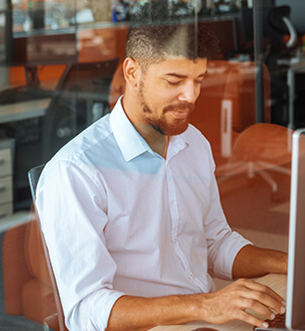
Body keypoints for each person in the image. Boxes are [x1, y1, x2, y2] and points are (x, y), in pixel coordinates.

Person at [35, 10, 289, 331]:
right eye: (174, 81)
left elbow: (215, 243)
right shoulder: (76, 171)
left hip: (205, 320)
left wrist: (288, 262)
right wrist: (205, 304)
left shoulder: (193, 144)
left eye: (198, 80)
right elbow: (86, 311)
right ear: (132, 72)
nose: (191, 96)